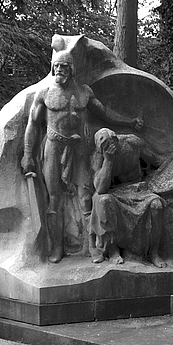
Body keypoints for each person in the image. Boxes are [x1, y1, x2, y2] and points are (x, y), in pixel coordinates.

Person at [22, 51, 142, 263]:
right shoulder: (45, 93)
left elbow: (105, 112)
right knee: (54, 199)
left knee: (86, 197)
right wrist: (27, 155)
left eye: (64, 66)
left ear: (72, 69)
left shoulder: (84, 92)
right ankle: (57, 247)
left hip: (79, 148)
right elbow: (33, 124)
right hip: (53, 148)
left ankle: (92, 247)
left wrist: (129, 122)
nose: (59, 70)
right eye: (56, 66)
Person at [88, 128, 167, 267]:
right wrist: (108, 161)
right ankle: (113, 251)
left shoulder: (132, 143)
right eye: (103, 147)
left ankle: (154, 252)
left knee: (156, 205)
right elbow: (100, 189)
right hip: (112, 192)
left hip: (137, 190)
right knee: (103, 201)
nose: (108, 148)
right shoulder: (98, 157)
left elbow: (155, 160)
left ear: (116, 139)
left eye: (109, 144)